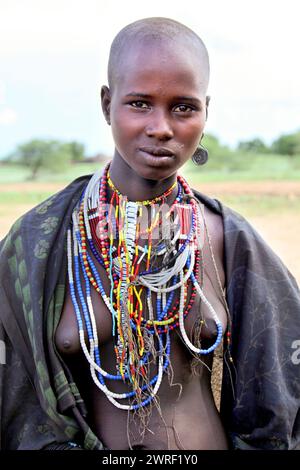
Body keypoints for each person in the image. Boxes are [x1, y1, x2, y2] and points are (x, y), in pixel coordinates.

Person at [0, 17, 299, 451]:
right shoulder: (41, 242)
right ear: (107, 104)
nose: (161, 127)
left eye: (183, 107)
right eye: (139, 103)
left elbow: (282, 382)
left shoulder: (224, 238)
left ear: (205, 112)